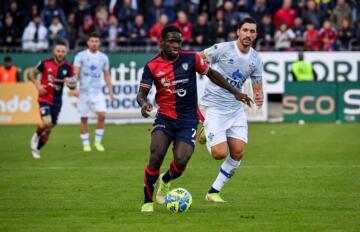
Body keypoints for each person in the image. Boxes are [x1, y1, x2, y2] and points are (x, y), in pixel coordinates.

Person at [137, 25, 253, 212]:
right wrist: (144, 105)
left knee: (181, 160)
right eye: (171, 41)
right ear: (162, 42)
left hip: (188, 119)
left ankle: (165, 180)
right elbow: (142, 94)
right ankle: (147, 201)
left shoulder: (191, 58)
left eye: (178, 42)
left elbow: (212, 74)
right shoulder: (152, 65)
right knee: (156, 156)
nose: (176, 45)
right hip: (165, 118)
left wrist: (235, 92)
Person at [197, 17, 264, 203]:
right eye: (245, 30)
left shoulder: (256, 59)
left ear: (256, 35)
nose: (248, 34)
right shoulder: (223, 48)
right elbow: (198, 58)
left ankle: (213, 191)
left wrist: (259, 95)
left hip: (235, 109)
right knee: (219, 153)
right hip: (214, 106)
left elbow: (257, 86)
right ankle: (204, 130)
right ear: (238, 31)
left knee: (238, 152)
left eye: (252, 31)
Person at [29, 40, 76, 159]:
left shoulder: (69, 67)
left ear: (66, 53)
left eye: (63, 51)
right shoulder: (45, 64)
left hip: (57, 100)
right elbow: (31, 73)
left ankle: (37, 149)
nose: (60, 53)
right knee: (47, 122)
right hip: (44, 97)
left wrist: (69, 83)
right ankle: (36, 134)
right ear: (54, 52)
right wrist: (38, 86)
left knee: (49, 129)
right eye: (58, 51)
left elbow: (73, 85)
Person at [73, 32, 115, 152]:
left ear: (99, 43)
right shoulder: (80, 56)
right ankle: (86, 143)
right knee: (84, 118)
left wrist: (111, 92)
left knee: (102, 115)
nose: (94, 43)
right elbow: (75, 73)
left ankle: (97, 142)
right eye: (92, 41)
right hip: (84, 92)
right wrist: (74, 88)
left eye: (96, 41)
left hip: (98, 92)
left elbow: (106, 75)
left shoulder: (103, 57)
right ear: (88, 42)